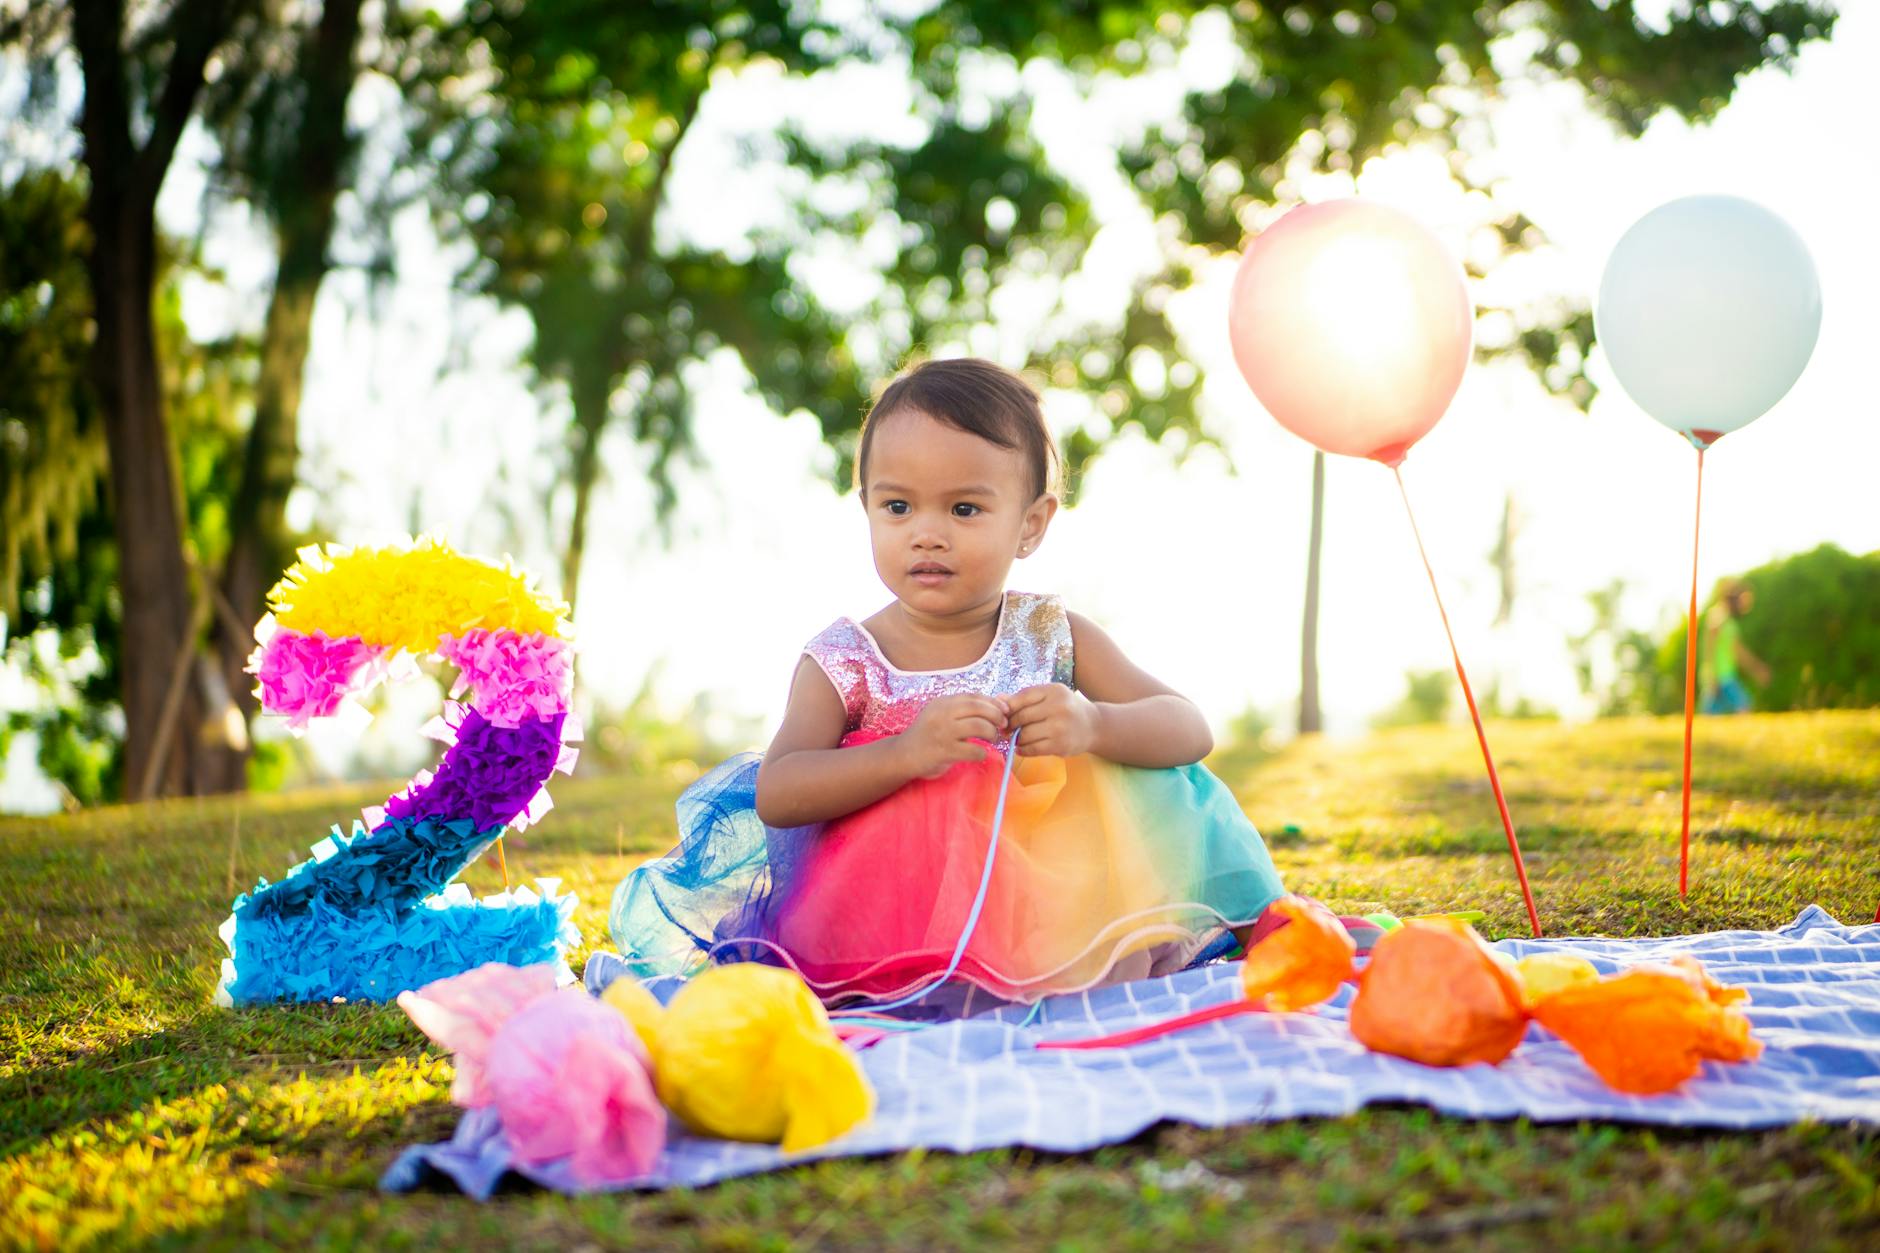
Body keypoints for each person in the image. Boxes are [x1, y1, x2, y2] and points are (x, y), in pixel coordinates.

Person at [608, 357, 1289, 1005]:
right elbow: (780, 791)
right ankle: (951, 985)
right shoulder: (845, 659)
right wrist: (904, 754)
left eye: (964, 510)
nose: (927, 534)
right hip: (891, 912)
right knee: (934, 802)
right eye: (898, 507)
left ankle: (1157, 945)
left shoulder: (1051, 632)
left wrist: (1094, 723)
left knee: (1138, 771)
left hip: (1049, 905)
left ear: (1030, 525)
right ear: (867, 508)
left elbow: (1187, 728)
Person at [1701, 579, 1770, 715]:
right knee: (1744, 705)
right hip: (1721, 676)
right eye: (1745, 599)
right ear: (1735, 598)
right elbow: (1710, 646)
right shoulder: (1719, 616)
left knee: (1712, 713)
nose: (1747, 604)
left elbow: (1738, 651)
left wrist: (1757, 669)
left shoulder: (1729, 623)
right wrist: (1711, 675)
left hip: (1725, 674)